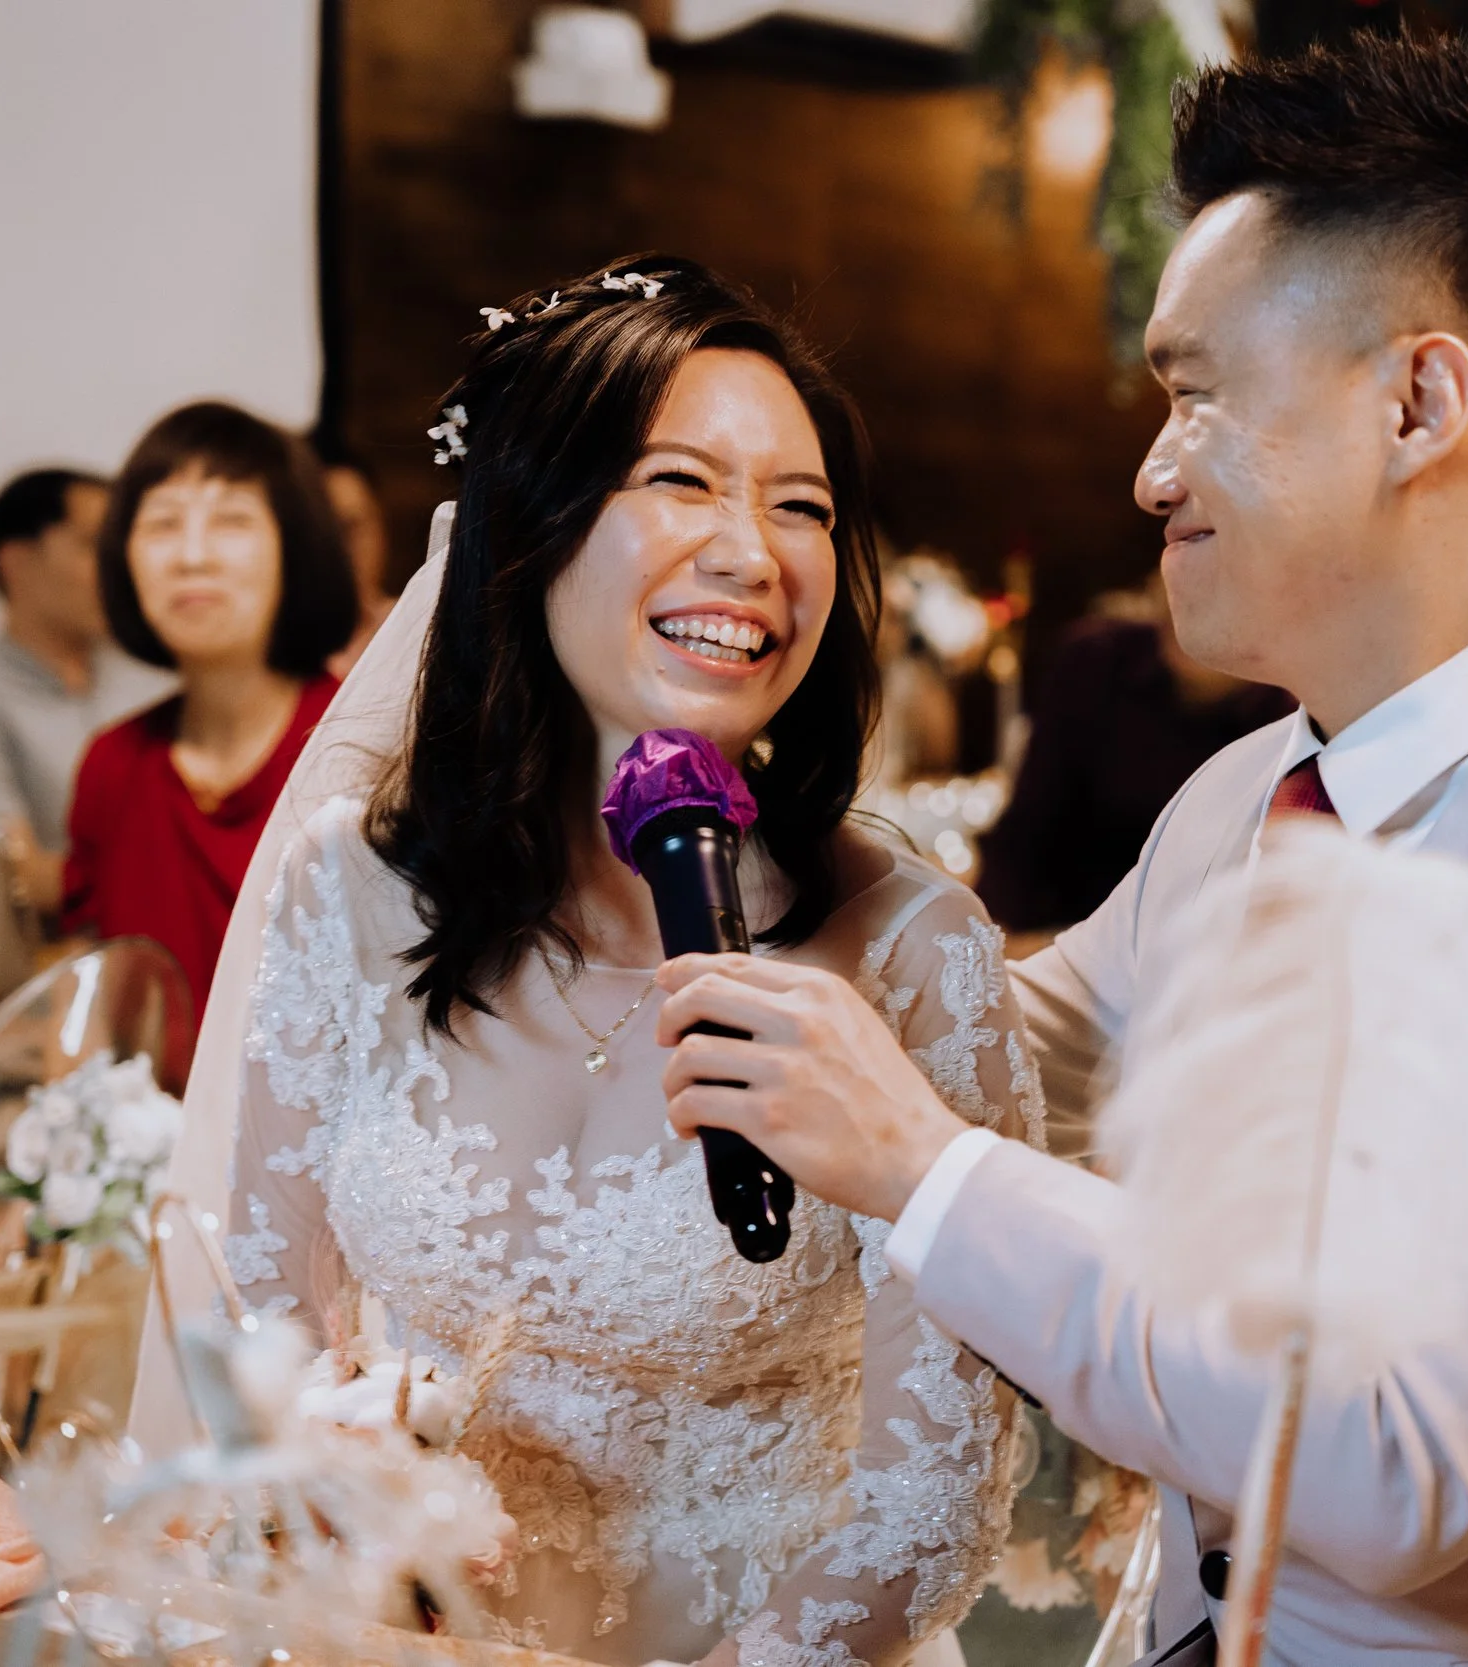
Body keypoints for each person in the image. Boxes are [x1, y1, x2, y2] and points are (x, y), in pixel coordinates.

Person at [655, 40, 1468, 1667]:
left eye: (1197, 394)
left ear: (1418, 403)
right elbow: (981, 1050)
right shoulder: (1237, 803)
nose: (1149, 470)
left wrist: (919, 1168)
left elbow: (1393, 1458)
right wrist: (703, 760)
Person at [210, 258, 1036, 1667]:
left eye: (801, 505)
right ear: (528, 528)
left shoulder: (910, 953)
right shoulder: (348, 889)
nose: (752, 552)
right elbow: (271, 1315)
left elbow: (927, 1502)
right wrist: (349, 1528)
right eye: (684, 481)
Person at [63, 402, 354, 1020]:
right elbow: (91, 1001)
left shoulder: (362, 747)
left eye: (231, 521)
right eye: (163, 524)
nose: (191, 556)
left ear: (294, 548)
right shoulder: (113, 764)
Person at [0, 467, 171, 911]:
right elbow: (10, 873)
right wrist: (168, 874)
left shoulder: (150, 679)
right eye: (93, 546)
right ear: (16, 561)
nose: (118, 568)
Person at [976, 578, 1291, 934]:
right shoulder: (1095, 661)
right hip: (1056, 935)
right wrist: (990, 943)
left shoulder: (1293, 717)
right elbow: (1025, 829)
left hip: (1195, 959)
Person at [316, 433, 402, 677]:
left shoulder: (420, 632)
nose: (340, 552)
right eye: (323, 533)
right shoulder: (259, 650)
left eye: (351, 528)